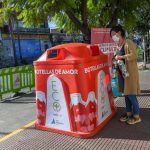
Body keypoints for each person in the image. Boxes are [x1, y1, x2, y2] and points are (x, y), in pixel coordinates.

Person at [110, 25, 141, 125]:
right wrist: (115, 58)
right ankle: (129, 114)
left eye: (113, 35)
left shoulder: (128, 42)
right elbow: (117, 58)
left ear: (119, 33)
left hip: (130, 74)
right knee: (126, 95)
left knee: (131, 95)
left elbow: (134, 55)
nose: (113, 37)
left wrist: (121, 56)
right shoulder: (118, 46)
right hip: (122, 75)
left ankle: (136, 116)